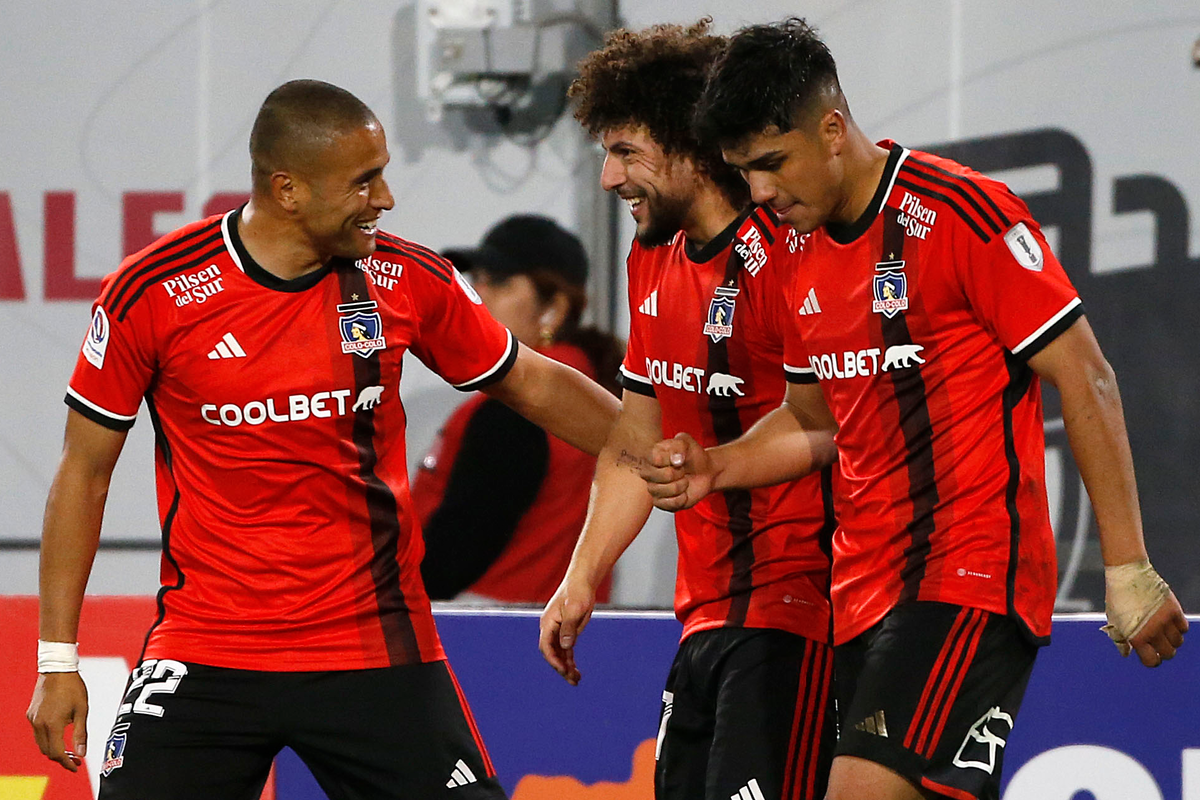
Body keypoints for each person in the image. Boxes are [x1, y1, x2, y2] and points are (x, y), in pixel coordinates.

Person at [638, 18, 1189, 800]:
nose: (759, 193)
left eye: (771, 164)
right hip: (859, 595)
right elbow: (812, 419)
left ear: (832, 130)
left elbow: (1088, 376)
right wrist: (716, 465)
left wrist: (1128, 567)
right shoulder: (790, 247)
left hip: (966, 579)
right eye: (743, 172)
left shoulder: (963, 212)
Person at [25, 79, 619, 800]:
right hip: (207, 649)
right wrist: (58, 661)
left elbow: (533, 382)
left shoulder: (407, 276)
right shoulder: (149, 292)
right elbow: (83, 475)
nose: (387, 198)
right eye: (364, 181)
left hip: (375, 645)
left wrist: (661, 450)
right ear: (288, 190)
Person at [538, 21, 837, 800]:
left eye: (626, 152)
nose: (608, 178)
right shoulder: (652, 256)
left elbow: (833, 425)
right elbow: (634, 438)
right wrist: (582, 578)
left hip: (801, 616)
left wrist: (720, 469)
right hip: (704, 617)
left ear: (691, 148)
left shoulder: (789, 255)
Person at [412, 214, 621, 604]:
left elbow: (455, 554)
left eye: (500, 282)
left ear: (553, 309)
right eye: (477, 280)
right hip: (559, 626)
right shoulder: (594, 389)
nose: (477, 294)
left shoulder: (519, 408)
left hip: (481, 631)